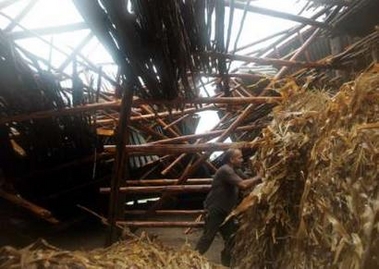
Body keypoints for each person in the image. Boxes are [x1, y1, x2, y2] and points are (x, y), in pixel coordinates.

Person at [195, 149, 262, 266]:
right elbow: (243, 185)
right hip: (215, 209)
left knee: (232, 238)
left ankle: (227, 264)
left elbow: (247, 179)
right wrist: (260, 176)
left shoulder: (235, 170)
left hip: (226, 212)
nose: (242, 160)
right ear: (231, 159)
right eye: (239, 158)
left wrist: (258, 174)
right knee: (208, 237)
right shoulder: (226, 170)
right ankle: (191, 259)